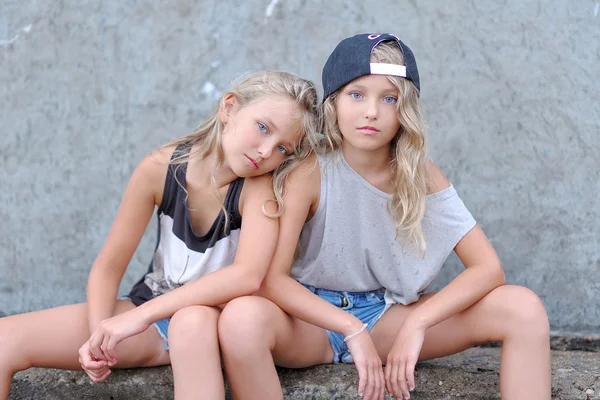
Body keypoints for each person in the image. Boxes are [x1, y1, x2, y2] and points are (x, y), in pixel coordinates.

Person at [218, 34, 551, 400]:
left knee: (522, 307)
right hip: (311, 322)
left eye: (389, 98)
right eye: (356, 95)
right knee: (240, 318)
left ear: (404, 109)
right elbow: (273, 281)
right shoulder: (310, 172)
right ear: (334, 102)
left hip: (388, 317)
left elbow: (488, 269)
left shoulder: (421, 174)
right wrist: (349, 328)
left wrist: (417, 323)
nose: (371, 111)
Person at [0, 70, 321, 400]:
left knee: (192, 320)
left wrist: (137, 318)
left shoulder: (259, 190)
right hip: (152, 313)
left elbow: (247, 277)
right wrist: (101, 332)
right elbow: (109, 266)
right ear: (229, 108)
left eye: (283, 148)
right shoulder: (160, 168)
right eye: (263, 127)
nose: (267, 151)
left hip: (213, 323)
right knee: (5, 339)